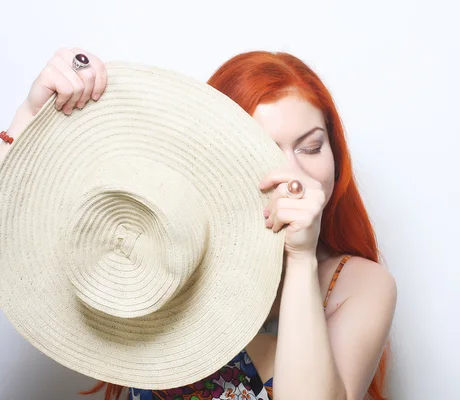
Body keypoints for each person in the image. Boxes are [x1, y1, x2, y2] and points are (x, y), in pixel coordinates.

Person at [0, 47, 397, 400]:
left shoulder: (359, 285)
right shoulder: (170, 249)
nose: (290, 174)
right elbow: (26, 248)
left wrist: (301, 256)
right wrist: (31, 117)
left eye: (311, 147)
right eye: (263, 151)